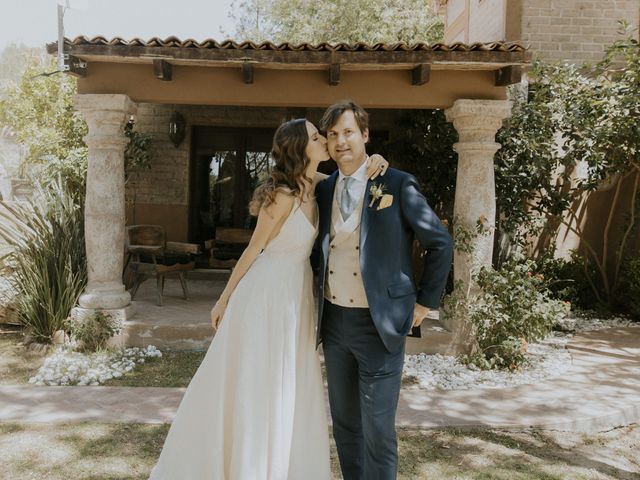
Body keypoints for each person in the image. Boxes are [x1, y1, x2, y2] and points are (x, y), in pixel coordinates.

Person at [148, 118, 388, 480]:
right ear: (299, 149)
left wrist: (377, 160)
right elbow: (253, 250)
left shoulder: (321, 186)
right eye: (315, 136)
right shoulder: (281, 197)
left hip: (297, 297)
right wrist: (224, 298)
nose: (324, 140)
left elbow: (353, 176)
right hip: (267, 294)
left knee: (288, 379)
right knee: (259, 379)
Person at [312, 100, 454, 480]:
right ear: (326, 142)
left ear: (365, 135)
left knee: (377, 429)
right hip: (334, 322)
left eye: (348, 132)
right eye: (333, 134)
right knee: (344, 424)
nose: (341, 141)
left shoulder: (395, 182)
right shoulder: (324, 190)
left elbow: (440, 243)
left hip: (379, 325)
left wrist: (425, 303)